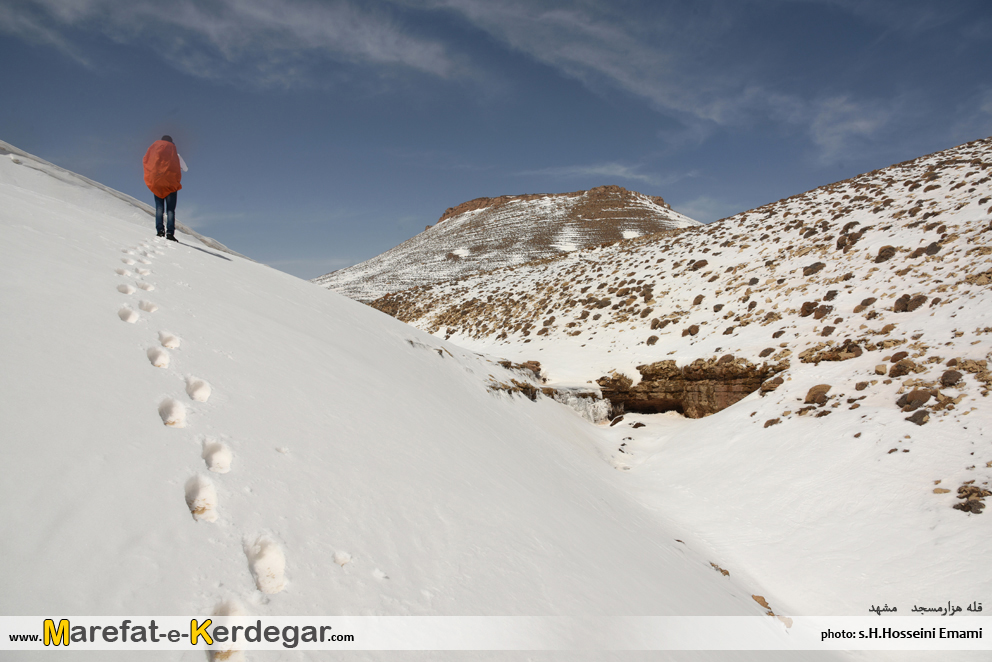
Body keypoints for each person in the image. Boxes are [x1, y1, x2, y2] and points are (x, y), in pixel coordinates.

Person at [142, 135, 188, 241]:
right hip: (171, 185)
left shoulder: (155, 155)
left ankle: (160, 231)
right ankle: (170, 233)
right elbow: (185, 169)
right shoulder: (176, 155)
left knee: (159, 208)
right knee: (170, 210)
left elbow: (146, 161)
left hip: (158, 184)